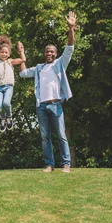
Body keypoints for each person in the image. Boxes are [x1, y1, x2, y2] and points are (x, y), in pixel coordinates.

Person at [18, 11, 77, 173]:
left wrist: (71, 28)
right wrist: (22, 54)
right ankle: (49, 165)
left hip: (56, 104)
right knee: (45, 137)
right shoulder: (39, 68)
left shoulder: (60, 64)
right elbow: (23, 73)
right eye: (47, 51)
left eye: (52, 51)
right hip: (41, 106)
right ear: (44, 54)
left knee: (61, 135)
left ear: (56, 54)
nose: (49, 53)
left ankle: (66, 164)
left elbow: (70, 48)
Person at [0, 35, 26, 132]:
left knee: (6, 103)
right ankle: (3, 118)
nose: (4, 54)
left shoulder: (10, 61)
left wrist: (21, 50)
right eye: (2, 52)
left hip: (8, 86)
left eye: (6, 52)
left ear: (9, 54)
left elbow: (23, 60)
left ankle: (9, 117)